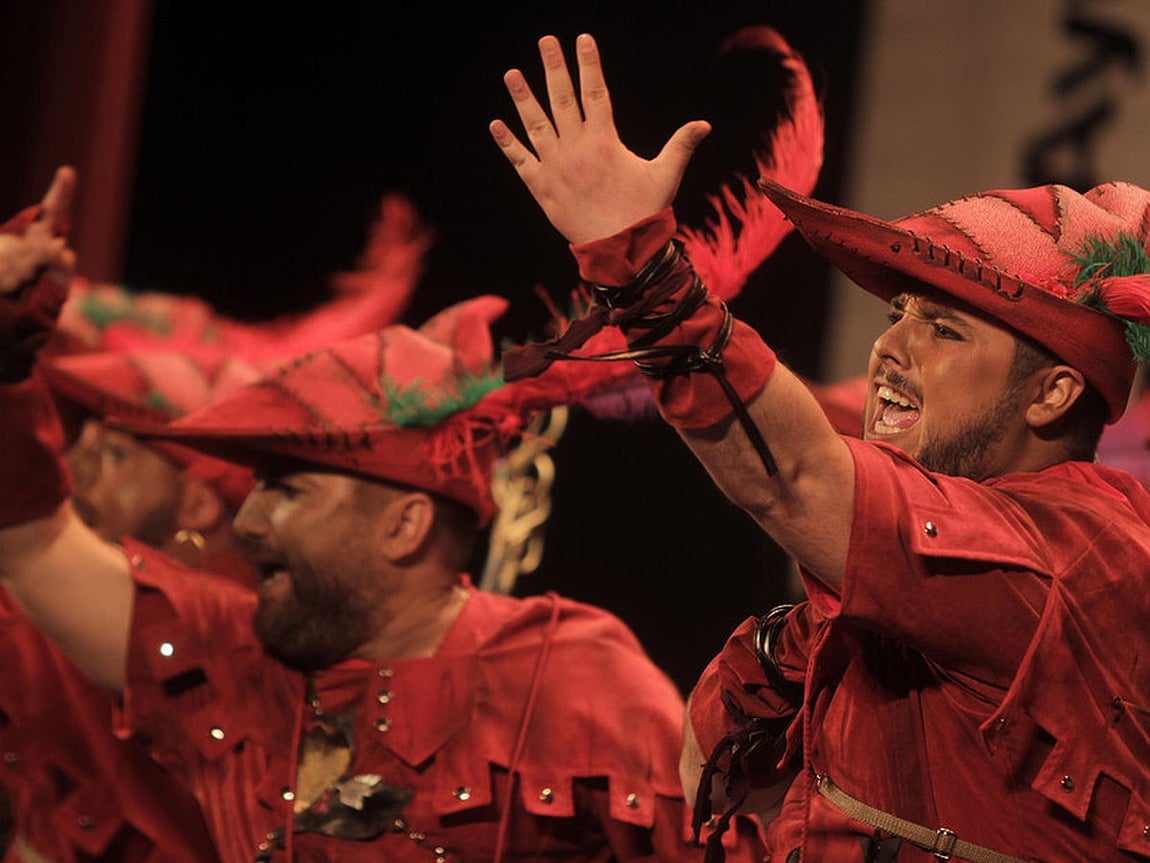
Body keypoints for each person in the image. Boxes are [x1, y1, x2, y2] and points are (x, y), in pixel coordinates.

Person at [491, 34, 1150, 863]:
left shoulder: (1084, 554)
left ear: (1052, 393)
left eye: (942, 328)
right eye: (895, 316)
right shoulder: (885, 601)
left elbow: (796, 479)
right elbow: (713, 779)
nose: (888, 351)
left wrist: (643, 268)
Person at [0, 169, 762, 862]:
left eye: (288, 491)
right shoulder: (233, 660)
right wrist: (7, 356)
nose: (252, 517)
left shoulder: (576, 679)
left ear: (404, 525)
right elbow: (34, 541)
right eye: (260, 485)